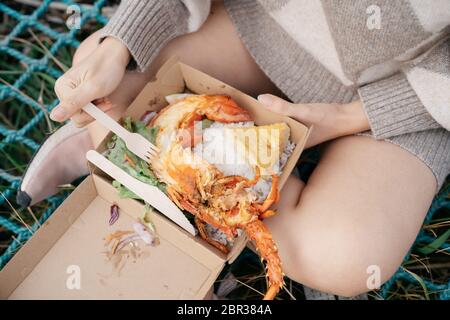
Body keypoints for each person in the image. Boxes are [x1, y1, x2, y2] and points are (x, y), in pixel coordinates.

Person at [18, 0, 450, 297]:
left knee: (346, 258)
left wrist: (351, 116)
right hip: (266, 26)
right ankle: (137, 153)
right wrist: (119, 45)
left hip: (413, 91)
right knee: (110, 80)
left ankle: (232, 187)